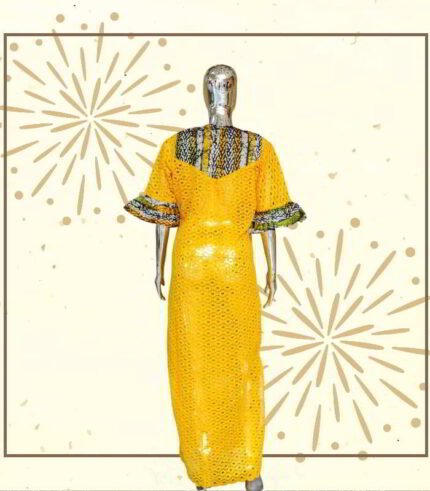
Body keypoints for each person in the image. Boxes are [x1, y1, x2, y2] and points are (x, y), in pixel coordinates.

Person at [123, 64, 307, 491]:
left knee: (214, 365)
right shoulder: (245, 148)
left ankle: (226, 469)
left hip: (208, 265)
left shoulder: (193, 147)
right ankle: (228, 469)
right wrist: (273, 270)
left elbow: (167, 215)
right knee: (220, 365)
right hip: (221, 266)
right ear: (215, 92)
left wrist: (158, 266)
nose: (221, 93)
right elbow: (266, 218)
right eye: (218, 86)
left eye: (224, 86)